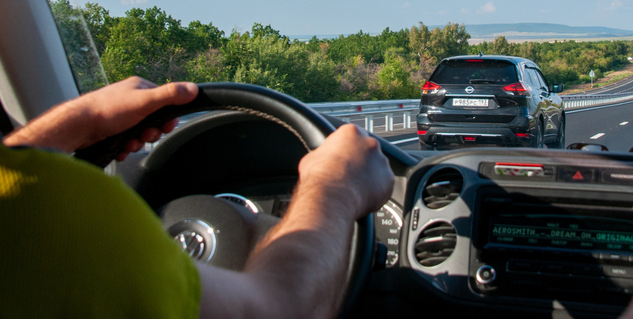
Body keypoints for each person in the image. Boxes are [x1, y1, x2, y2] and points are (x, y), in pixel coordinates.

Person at [1, 76, 394, 319]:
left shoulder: (29, 205)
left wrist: (71, 126)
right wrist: (334, 188)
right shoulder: (53, 210)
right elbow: (284, 309)